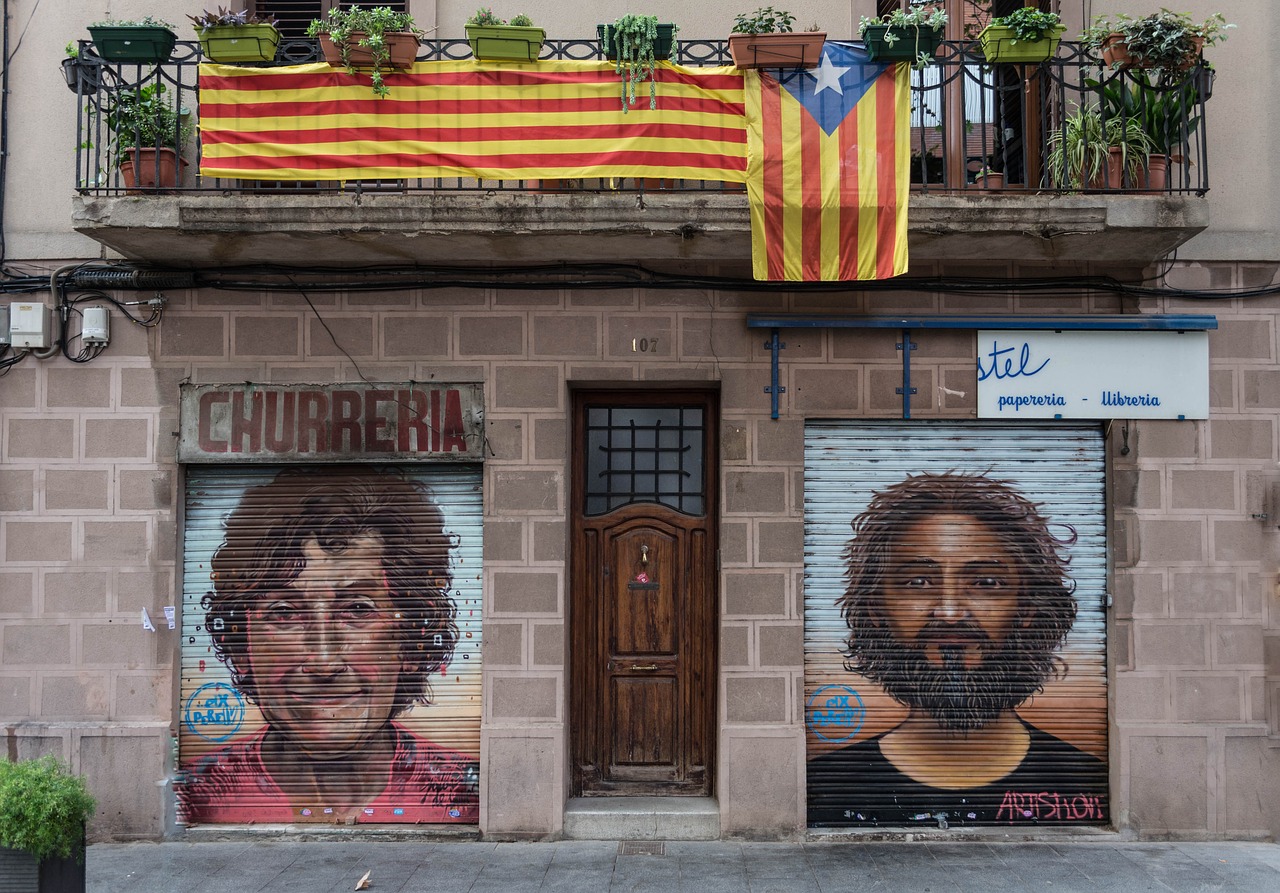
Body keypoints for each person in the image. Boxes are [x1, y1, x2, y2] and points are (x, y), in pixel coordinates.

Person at [179, 466, 479, 824]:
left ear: (411, 642)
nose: (323, 662)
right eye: (285, 613)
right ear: (242, 646)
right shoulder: (194, 799)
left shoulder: (468, 794)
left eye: (357, 609)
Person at [807, 472, 1106, 827]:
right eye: (917, 582)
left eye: (985, 583)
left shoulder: (1088, 781)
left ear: (1027, 608)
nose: (949, 613)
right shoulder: (819, 786)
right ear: (876, 608)